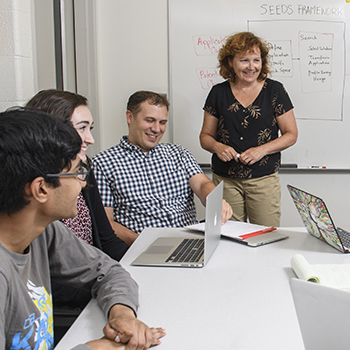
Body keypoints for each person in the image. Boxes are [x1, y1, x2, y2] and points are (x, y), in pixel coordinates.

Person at [0, 107, 165, 350]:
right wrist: (97, 348)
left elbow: (108, 271)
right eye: (77, 172)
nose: (83, 182)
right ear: (41, 189)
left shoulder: (41, 231)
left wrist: (122, 314)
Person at [26, 90, 129, 315]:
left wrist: (133, 268)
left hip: (99, 283)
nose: (90, 139)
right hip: (73, 301)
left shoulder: (83, 169)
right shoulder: (35, 189)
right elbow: (40, 281)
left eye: (89, 128)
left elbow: (106, 239)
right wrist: (109, 287)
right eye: (82, 128)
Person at [93, 90, 232, 245]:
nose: (156, 129)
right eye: (150, 120)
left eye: (162, 122)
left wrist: (214, 200)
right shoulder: (103, 163)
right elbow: (106, 223)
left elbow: (202, 184)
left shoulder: (178, 153)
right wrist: (144, 244)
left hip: (190, 242)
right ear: (130, 117)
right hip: (142, 248)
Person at [200, 31, 298, 227]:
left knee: (267, 236)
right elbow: (205, 137)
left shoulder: (275, 90)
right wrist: (218, 147)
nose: (251, 67)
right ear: (230, 62)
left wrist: (261, 150)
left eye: (256, 60)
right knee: (230, 237)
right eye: (244, 60)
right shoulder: (218, 93)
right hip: (225, 179)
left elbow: (291, 134)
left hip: (263, 179)